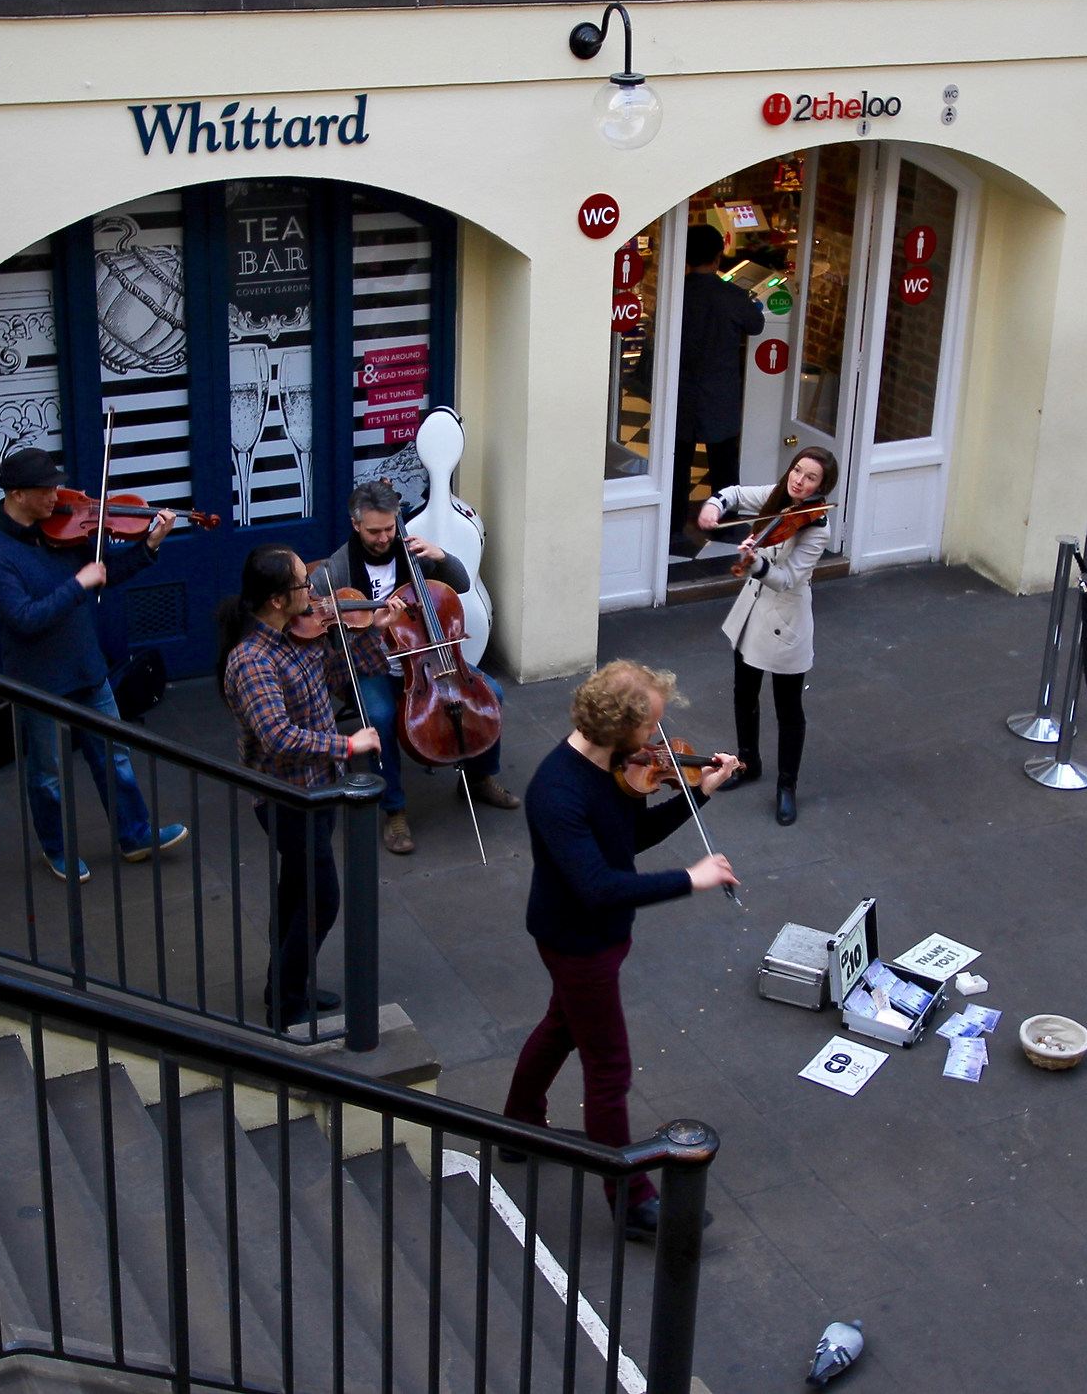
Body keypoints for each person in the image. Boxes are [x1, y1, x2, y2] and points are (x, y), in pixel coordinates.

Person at [500, 660, 738, 1239]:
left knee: (561, 1024)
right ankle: (631, 1201)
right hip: (578, 938)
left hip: (598, 936)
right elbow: (599, 886)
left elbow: (630, 839)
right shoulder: (557, 792)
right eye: (650, 728)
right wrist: (691, 879)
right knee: (607, 1070)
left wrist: (698, 794)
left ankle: (518, 1128)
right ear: (618, 725)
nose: (657, 743)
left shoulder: (613, 765)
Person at [0, 447, 188, 880]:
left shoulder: (60, 531)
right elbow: (25, 619)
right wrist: (78, 583)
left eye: (56, 486)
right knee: (47, 775)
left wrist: (149, 545)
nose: (57, 496)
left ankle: (135, 835)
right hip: (37, 680)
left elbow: (106, 570)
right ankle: (56, 851)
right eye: (45, 490)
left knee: (115, 757)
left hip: (87, 666)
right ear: (16, 494)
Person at [218, 544, 388, 1029]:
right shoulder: (252, 662)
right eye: (302, 585)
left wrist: (373, 632)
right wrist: (346, 745)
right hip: (285, 799)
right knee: (320, 899)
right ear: (276, 600)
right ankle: (287, 1004)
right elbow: (277, 736)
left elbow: (338, 676)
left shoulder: (300, 637)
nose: (313, 593)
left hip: (317, 789)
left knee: (296, 894)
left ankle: (287, 985)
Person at [323, 478, 516, 856]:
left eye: (389, 528)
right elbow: (327, 632)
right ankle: (393, 808)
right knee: (379, 715)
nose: (383, 538)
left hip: (430, 660)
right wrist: (369, 627)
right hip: (375, 664)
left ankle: (478, 779)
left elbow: (459, 585)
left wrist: (442, 557)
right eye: (374, 531)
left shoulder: (412, 552)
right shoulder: (337, 567)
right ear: (355, 524)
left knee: (492, 692)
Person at [698, 446, 835, 827]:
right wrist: (715, 504)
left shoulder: (817, 527)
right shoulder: (778, 497)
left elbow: (788, 578)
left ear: (822, 486)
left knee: (789, 709)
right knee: (744, 692)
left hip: (786, 619)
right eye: (797, 470)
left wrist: (756, 562)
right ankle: (747, 762)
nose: (799, 480)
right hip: (753, 613)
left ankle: (786, 786)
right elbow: (737, 494)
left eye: (811, 478)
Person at [671, 224, 764, 551]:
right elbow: (756, 323)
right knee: (723, 462)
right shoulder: (731, 295)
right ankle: (724, 527)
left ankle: (672, 527)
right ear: (719, 254)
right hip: (720, 390)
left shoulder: (676, 293)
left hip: (681, 389)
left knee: (677, 460)